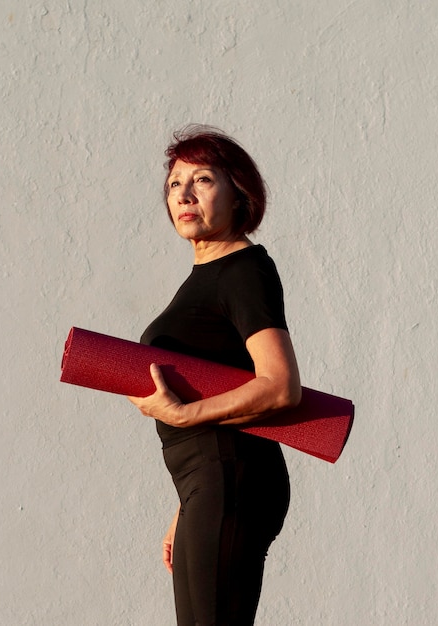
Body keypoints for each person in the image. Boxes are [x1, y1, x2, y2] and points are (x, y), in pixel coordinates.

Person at [128, 126, 301, 626]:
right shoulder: (205, 275)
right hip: (206, 482)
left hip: (229, 477)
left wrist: (184, 414)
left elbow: (279, 383)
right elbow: (222, 380)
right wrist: (183, 508)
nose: (181, 195)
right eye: (173, 184)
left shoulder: (244, 269)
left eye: (201, 180)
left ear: (238, 193)